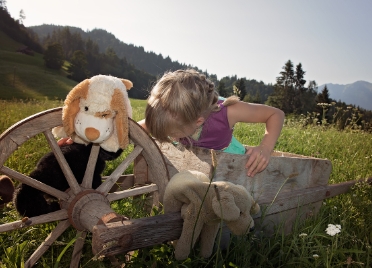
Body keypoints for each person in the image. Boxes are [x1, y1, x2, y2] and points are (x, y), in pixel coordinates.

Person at [137, 69, 285, 177]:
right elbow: (138, 128)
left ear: (198, 122)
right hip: (193, 168)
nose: (172, 138)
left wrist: (265, 148)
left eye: (173, 133)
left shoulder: (227, 111)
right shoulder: (168, 114)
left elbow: (275, 114)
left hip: (233, 166)